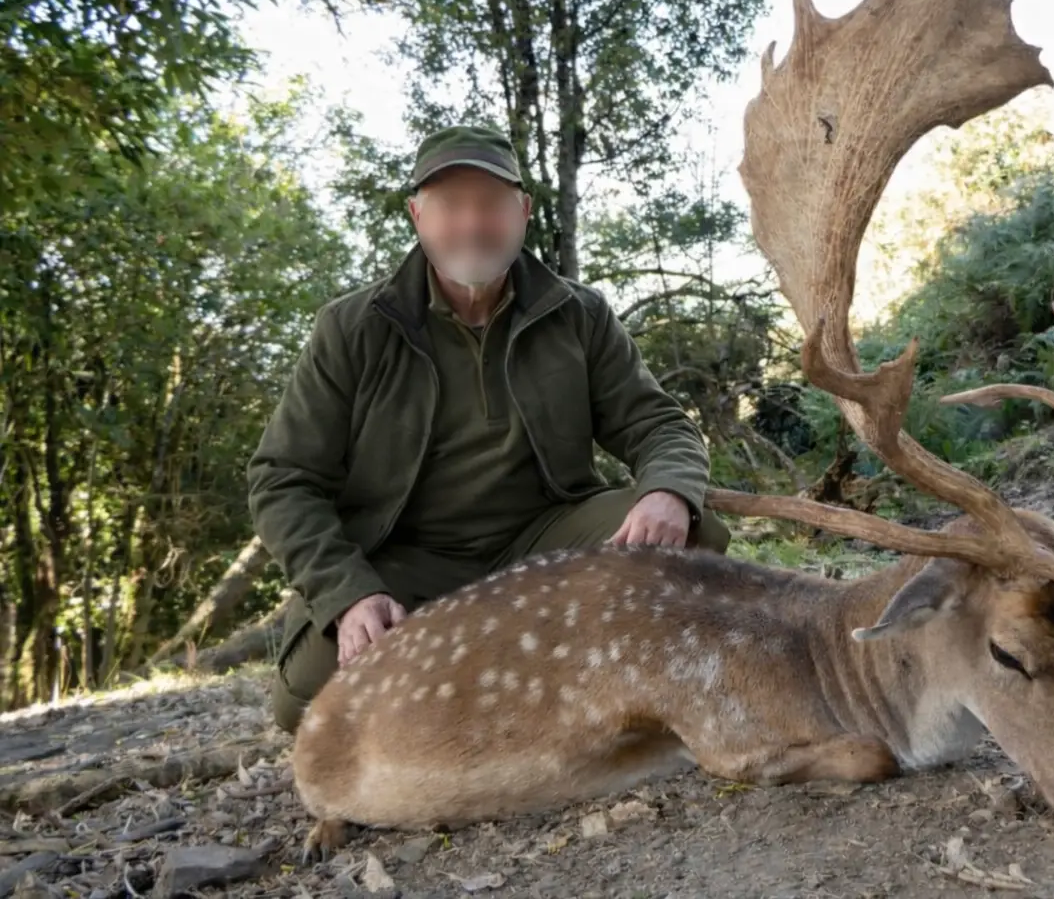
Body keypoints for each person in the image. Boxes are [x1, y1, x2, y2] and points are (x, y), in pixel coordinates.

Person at [248, 124, 730, 733]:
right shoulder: (351, 329)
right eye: (451, 206)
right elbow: (283, 480)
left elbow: (656, 422)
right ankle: (540, 686)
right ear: (418, 216)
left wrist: (668, 489)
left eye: (491, 205)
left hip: (543, 547)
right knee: (309, 702)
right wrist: (347, 594)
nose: (472, 223)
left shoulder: (577, 314)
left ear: (523, 212)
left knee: (691, 533)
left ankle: (571, 691)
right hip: (407, 562)